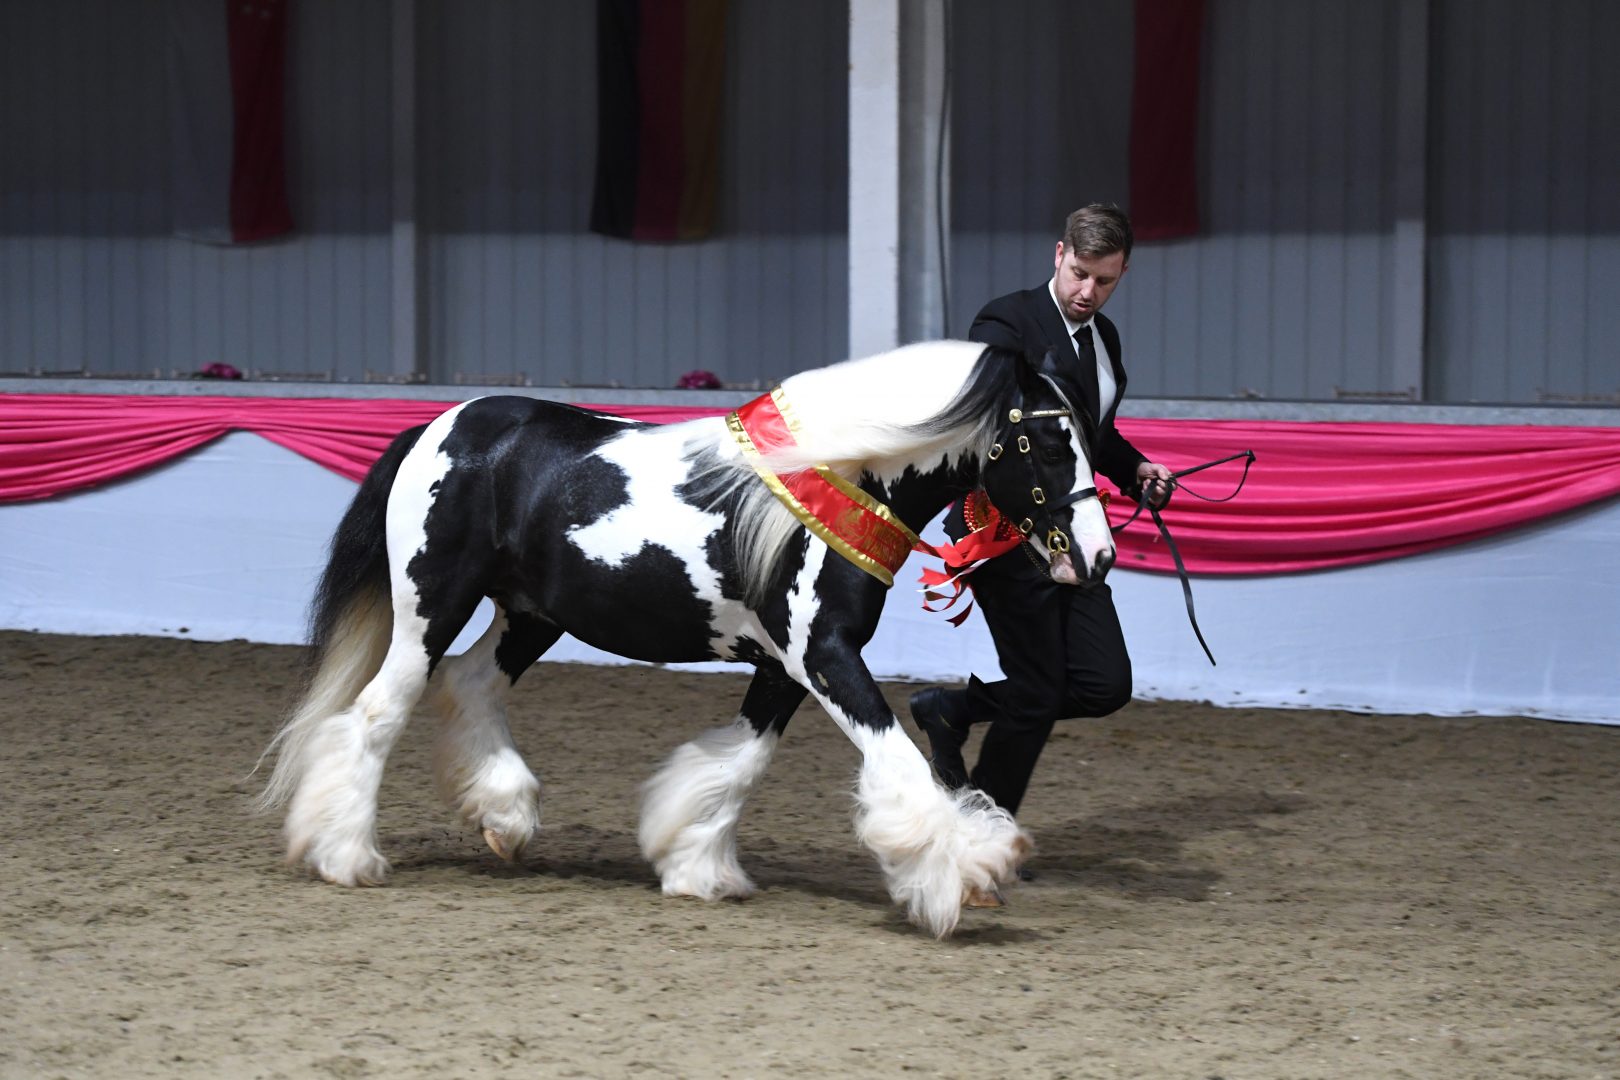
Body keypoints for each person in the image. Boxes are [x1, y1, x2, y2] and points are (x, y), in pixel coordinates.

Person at [910, 203, 1172, 825]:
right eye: (1079, 273)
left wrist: (1135, 471)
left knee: (1103, 685)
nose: (1088, 292)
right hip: (1001, 530)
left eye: (1104, 280)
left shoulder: (1104, 339)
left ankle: (954, 712)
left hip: (1070, 531)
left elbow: (1088, 437)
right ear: (1059, 254)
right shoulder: (1006, 322)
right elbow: (995, 424)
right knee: (1035, 690)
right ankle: (984, 830)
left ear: (1123, 272)